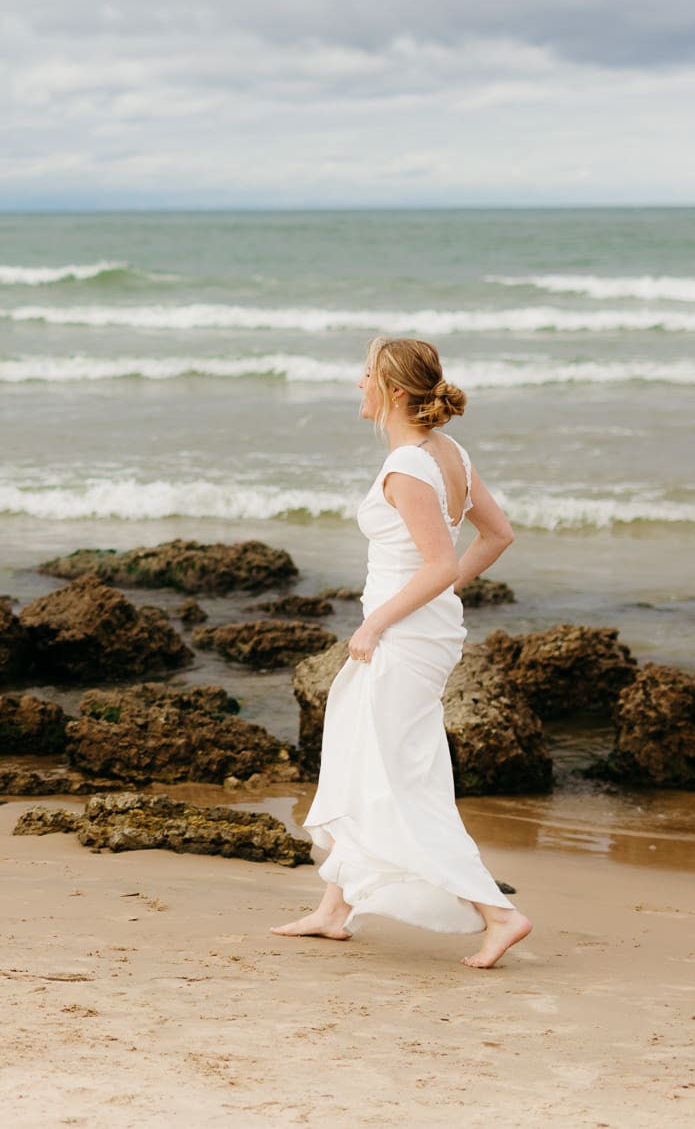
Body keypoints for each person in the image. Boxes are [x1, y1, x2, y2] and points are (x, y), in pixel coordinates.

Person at [271, 336, 532, 968]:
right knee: (361, 757)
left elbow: (440, 562)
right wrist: (436, 598)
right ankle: (335, 910)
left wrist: (378, 622)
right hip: (420, 627)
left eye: (365, 375)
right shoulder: (447, 454)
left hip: (402, 635)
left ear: (391, 391)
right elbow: (495, 537)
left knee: (399, 777)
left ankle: (499, 913)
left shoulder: (409, 467)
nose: (356, 384)